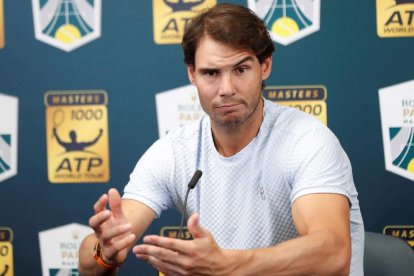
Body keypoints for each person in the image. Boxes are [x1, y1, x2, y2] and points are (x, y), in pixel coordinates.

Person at [78, 3, 364, 276]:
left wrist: (227, 266)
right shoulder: (175, 151)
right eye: (211, 73)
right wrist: (105, 253)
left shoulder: (306, 141)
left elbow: (332, 254)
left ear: (265, 67)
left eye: (240, 69)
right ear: (192, 74)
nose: (226, 88)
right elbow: (91, 259)